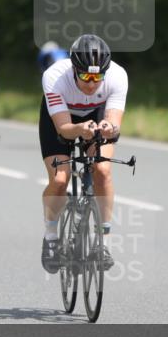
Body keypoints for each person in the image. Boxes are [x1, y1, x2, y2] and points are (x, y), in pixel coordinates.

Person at [39, 34, 128, 273]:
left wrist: (109, 128)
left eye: (97, 76)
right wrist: (80, 129)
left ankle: (103, 243)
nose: (91, 83)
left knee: (103, 170)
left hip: (96, 115)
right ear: (74, 70)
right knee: (59, 179)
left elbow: (113, 123)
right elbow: (64, 130)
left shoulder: (118, 76)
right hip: (62, 121)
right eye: (85, 76)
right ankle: (50, 237)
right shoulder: (55, 77)